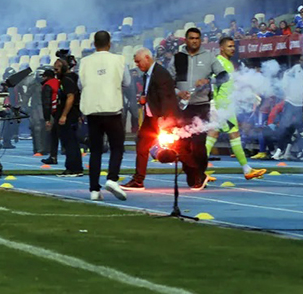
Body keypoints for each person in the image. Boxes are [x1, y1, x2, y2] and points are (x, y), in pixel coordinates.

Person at [170, 27, 228, 190]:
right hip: (182, 107)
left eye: (197, 38)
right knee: (181, 144)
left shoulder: (209, 57)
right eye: (191, 38)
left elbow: (225, 76)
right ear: (186, 40)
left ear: (200, 40)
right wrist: (178, 93)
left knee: (198, 144)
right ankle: (194, 174)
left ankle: (198, 174)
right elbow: (168, 81)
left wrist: (209, 82)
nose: (194, 41)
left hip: (201, 106)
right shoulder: (177, 58)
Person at [205, 37, 267, 180]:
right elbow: (212, 84)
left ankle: (246, 169)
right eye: (229, 46)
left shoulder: (228, 63)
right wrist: (213, 105)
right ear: (221, 48)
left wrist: (250, 95)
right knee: (228, 135)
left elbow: (230, 85)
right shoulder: (219, 62)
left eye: (233, 46)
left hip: (227, 106)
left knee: (217, 135)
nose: (232, 49)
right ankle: (246, 169)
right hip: (222, 107)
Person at [79, 31, 129, 201]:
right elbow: (127, 82)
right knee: (117, 147)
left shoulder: (84, 62)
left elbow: (81, 84)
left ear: (94, 44)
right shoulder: (119, 60)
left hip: (92, 110)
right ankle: (112, 178)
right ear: (109, 44)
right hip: (112, 109)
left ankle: (94, 189)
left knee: (95, 151)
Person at [122, 49, 179, 190]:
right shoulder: (149, 73)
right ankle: (138, 180)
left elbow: (166, 97)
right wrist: (144, 98)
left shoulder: (160, 74)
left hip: (159, 117)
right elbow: (151, 93)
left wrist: (164, 119)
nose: (137, 65)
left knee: (179, 148)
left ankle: (197, 173)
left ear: (147, 58)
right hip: (151, 116)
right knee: (141, 144)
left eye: (138, 61)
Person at [53, 58, 83, 177]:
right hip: (73, 113)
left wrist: (64, 115)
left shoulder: (67, 80)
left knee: (69, 142)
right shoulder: (73, 78)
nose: (55, 72)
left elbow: (70, 97)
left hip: (69, 115)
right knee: (71, 142)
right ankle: (74, 167)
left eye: (57, 69)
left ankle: (73, 168)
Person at [39, 68, 60, 165]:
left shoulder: (47, 85)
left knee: (54, 135)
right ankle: (53, 156)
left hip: (55, 112)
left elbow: (46, 103)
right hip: (63, 110)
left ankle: (53, 156)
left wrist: (47, 119)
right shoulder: (59, 82)